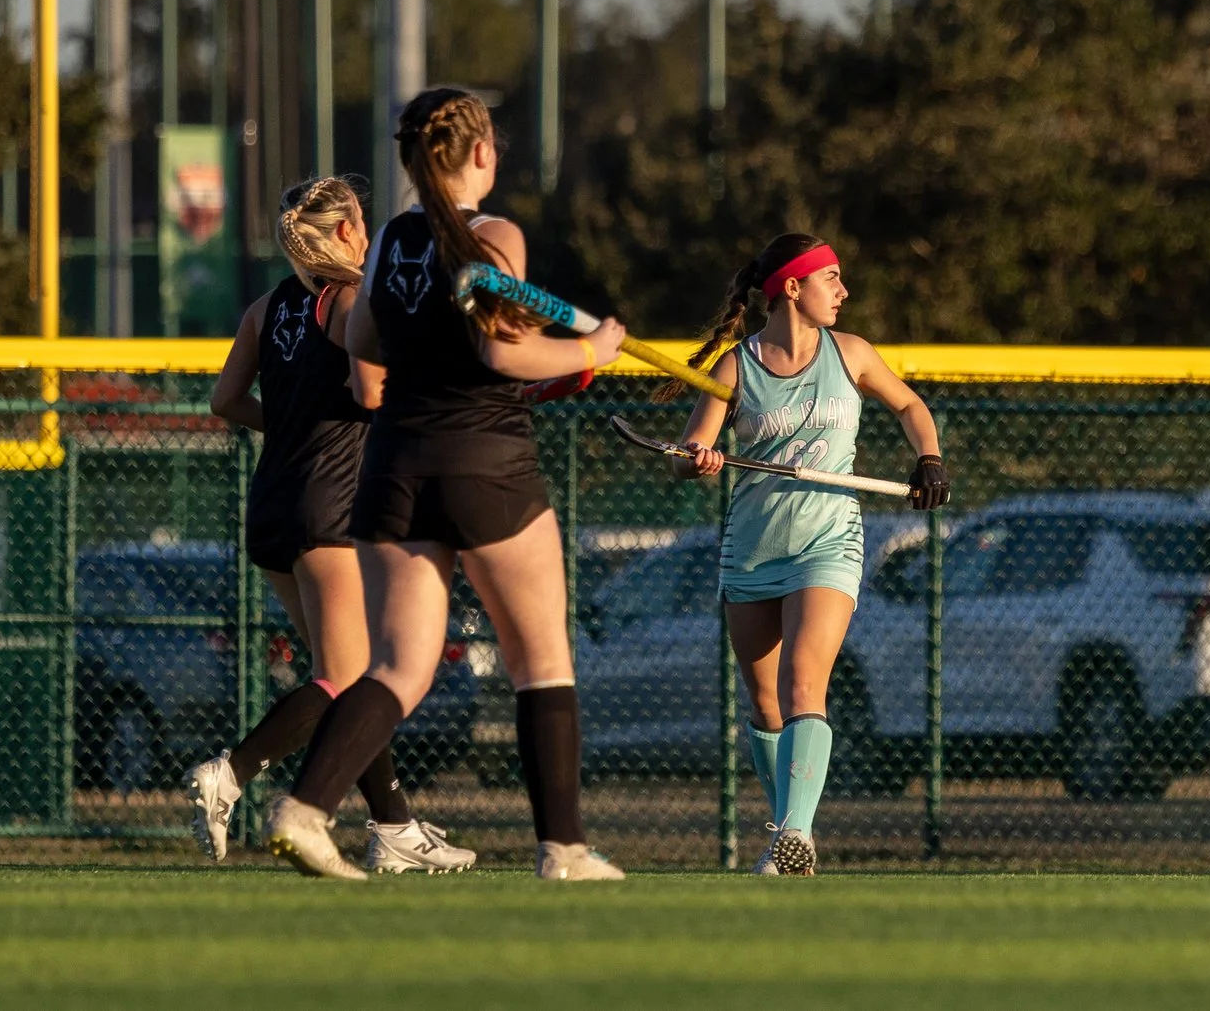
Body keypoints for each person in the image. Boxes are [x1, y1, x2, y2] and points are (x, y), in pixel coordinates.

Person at [265, 87, 631, 881]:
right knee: (542, 660)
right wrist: (591, 351)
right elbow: (505, 356)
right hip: (486, 461)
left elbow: (365, 339)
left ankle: (304, 811)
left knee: (397, 667)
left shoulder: (392, 240)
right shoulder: (495, 237)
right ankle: (563, 850)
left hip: (394, 463)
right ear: (478, 153)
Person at [191, 176, 475, 878]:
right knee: (352, 674)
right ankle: (231, 771)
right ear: (348, 230)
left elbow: (225, 400)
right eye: (364, 222)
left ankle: (394, 827)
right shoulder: (353, 302)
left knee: (347, 678)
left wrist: (287, 424)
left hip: (273, 509)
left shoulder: (266, 307)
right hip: (329, 509)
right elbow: (370, 390)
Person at [674, 233, 949, 877]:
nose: (844, 291)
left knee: (805, 683)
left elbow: (909, 404)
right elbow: (692, 452)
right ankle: (786, 836)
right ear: (792, 289)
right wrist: (701, 460)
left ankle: (795, 836)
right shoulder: (735, 368)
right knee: (766, 705)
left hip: (828, 543)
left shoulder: (850, 353)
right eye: (832, 278)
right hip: (752, 548)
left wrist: (928, 457)